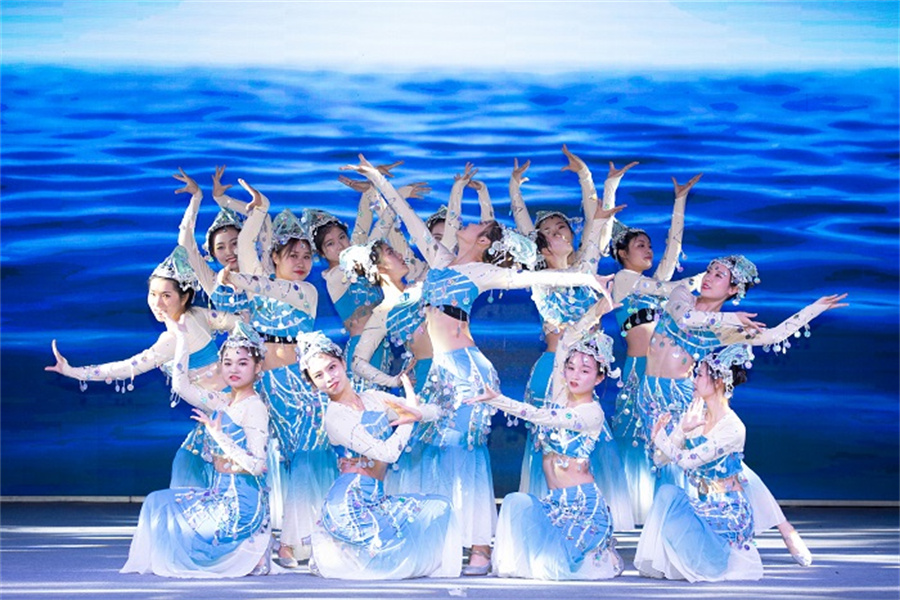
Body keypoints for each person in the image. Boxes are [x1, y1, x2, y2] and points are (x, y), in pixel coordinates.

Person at [341, 154, 612, 576]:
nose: (463, 224)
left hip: (466, 369)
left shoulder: (481, 272)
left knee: (463, 452)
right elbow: (406, 215)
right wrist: (377, 177)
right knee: (431, 449)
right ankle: (444, 539)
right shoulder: (437, 259)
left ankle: (480, 546)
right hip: (441, 371)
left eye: (473, 224)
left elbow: (531, 278)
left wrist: (586, 279)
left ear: (483, 241)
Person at [633, 255, 847, 565]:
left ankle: (783, 528)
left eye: (719, 275)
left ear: (733, 289)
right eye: (710, 270)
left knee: (725, 467)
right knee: (665, 465)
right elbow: (686, 319)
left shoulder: (727, 329)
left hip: (684, 401)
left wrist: (815, 308)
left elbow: (773, 335)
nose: (709, 277)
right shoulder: (682, 295)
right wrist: (731, 319)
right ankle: (677, 546)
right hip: (649, 397)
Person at [508, 147, 635, 530]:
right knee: (551, 445)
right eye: (547, 232)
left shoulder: (586, 269)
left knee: (585, 445)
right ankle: (550, 521)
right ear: (540, 244)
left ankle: (590, 522)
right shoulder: (538, 276)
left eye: (561, 227)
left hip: (584, 371)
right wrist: (514, 188)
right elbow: (524, 226)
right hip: (553, 371)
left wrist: (593, 178)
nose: (556, 232)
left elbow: (599, 223)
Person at [45, 247, 239, 487]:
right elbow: (238, 323)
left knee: (194, 470)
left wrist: (72, 371)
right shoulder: (198, 315)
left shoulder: (173, 339)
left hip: (225, 415)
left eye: (166, 296)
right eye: (153, 294)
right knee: (194, 466)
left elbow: (128, 367)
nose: (157, 303)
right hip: (229, 404)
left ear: (185, 297)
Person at [467, 297, 625, 580]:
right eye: (570, 367)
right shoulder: (562, 396)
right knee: (515, 504)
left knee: (554, 568)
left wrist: (499, 400)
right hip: (554, 504)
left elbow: (542, 416)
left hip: (582, 506)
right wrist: (595, 312)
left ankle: (601, 550)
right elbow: (567, 340)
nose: (574, 375)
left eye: (585, 371)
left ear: (599, 378)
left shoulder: (592, 413)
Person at [221, 179, 336, 568]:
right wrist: (259, 209)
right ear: (274, 257)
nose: (301, 262)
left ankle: (296, 543)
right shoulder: (261, 283)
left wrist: (239, 280)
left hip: (302, 385)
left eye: (306, 255)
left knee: (308, 456)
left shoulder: (307, 292)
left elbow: (273, 291)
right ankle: (283, 537)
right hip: (267, 384)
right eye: (292, 255)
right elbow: (245, 247)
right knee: (279, 458)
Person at [297, 331, 462, 579]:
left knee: (439, 506)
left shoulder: (374, 398)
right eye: (319, 376)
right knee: (381, 561)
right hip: (349, 502)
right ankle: (336, 554)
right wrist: (409, 419)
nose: (329, 378)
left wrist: (417, 413)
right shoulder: (335, 416)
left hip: (376, 496)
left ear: (343, 363)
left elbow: (430, 410)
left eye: (332, 367)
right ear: (313, 384)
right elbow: (387, 453)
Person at [121, 320, 271, 578]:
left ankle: (251, 548)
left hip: (241, 504)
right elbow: (182, 387)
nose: (234, 369)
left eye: (242, 363)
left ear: (257, 368)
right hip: (219, 495)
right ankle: (248, 552)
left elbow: (258, 466)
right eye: (228, 363)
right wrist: (182, 341)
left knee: (169, 514)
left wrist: (219, 437)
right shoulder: (223, 401)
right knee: (157, 501)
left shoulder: (254, 407)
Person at [607, 173, 703, 524]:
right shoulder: (623, 280)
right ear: (622, 253)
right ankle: (636, 504)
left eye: (649, 245)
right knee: (637, 434)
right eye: (640, 246)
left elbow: (673, 250)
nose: (648, 250)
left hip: (665, 374)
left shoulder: (653, 282)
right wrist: (701, 280)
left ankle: (667, 502)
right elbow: (668, 288)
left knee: (668, 433)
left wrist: (680, 201)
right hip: (638, 371)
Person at [633, 344, 763, 582]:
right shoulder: (696, 417)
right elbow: (659, 459)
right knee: (667, 494)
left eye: (700, 375)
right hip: (703, 504)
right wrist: (682, 430)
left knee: (673, 504)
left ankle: (714, 556)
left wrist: (661, 437)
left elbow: (686, 461)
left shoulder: (733, 428)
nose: (693, 379)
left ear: (719, 382)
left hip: (727, 511)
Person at [342, 237, 431, 494]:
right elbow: (358, 362)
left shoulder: (423, 287)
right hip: (422, 379)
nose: (400, 255)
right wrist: (393, 380)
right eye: (391, 252)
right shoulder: (382, 312)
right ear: (380, 268)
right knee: (425, 450)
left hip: (447, 371)